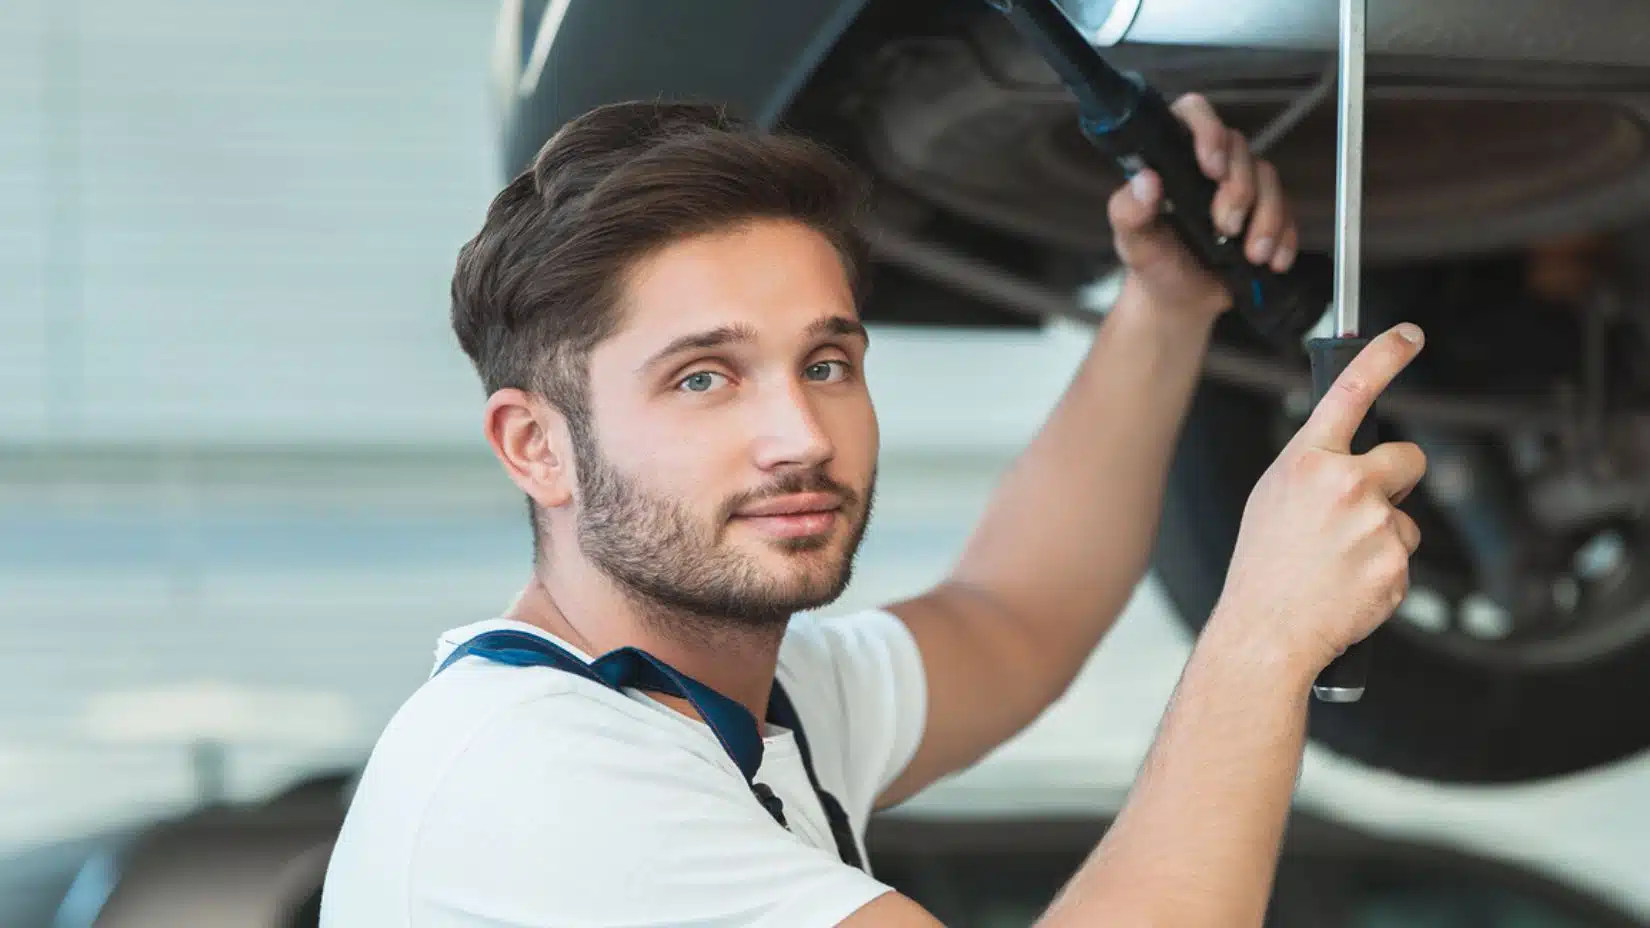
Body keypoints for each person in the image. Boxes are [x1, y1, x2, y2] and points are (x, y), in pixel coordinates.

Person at [318, 93, 1427, 927]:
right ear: (536, 446)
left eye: (829, 362)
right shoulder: (539, 777)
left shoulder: (733, 704)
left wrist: (1167, 303)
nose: (801, 433)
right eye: (703, 377)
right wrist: (1264, 639)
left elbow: (1015, 614)